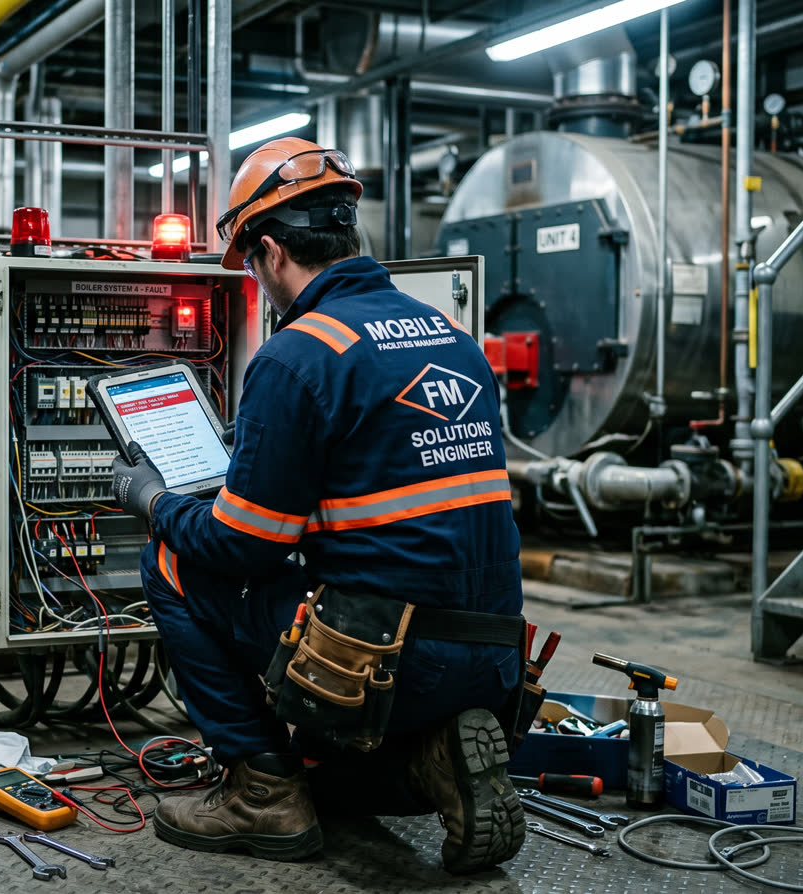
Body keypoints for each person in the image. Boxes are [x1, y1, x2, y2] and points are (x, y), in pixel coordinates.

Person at [108, 137, 526, 871]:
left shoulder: (297, 355)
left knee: (171, 562)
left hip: (384, 662)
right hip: (495, 662)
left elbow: (244, 547)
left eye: (251, 266)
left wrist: (154, 499)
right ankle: (432, 757)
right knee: (341, 754)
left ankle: (262, 789)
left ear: (271, 253)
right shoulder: (456, 340)